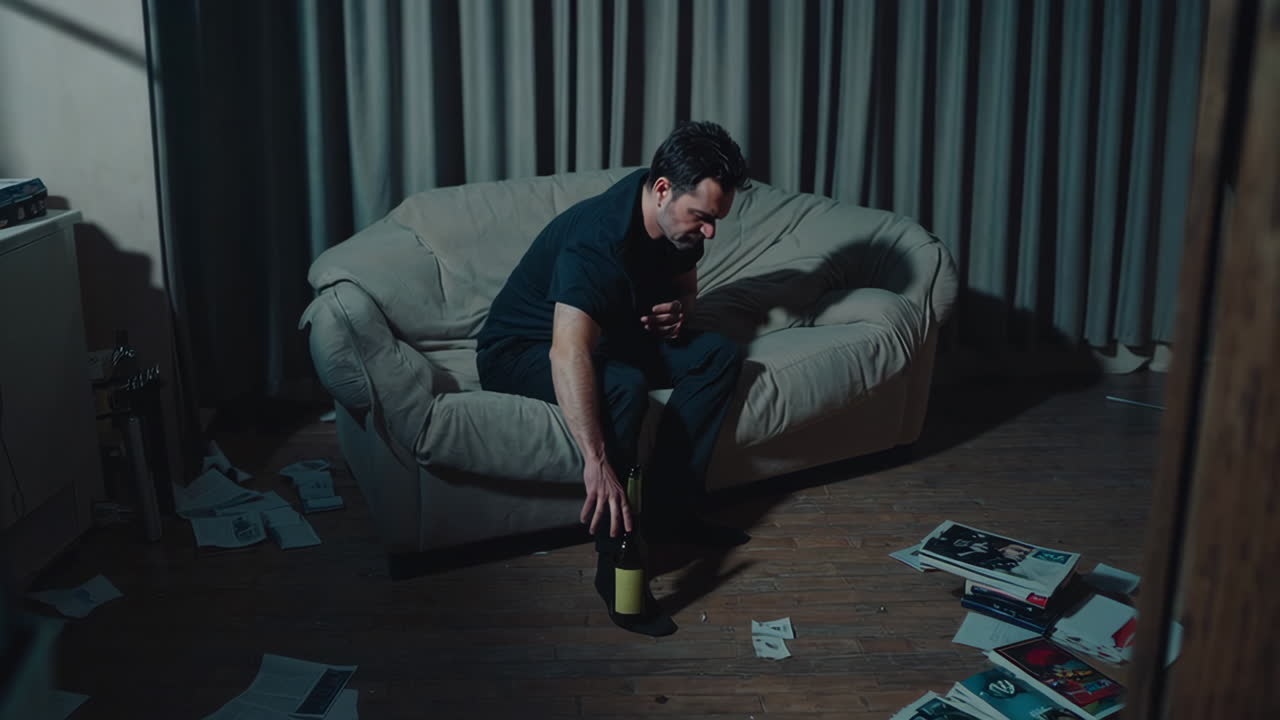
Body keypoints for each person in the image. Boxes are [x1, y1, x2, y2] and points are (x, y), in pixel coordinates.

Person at [475, 121, 752, 635]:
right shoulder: (597, 240)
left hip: (611, 337)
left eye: (716, 220)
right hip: (520, 351)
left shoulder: (679, 222)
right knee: (622, 384)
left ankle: (673, 510)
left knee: (717, 354)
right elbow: (567, 351)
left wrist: (679, 312)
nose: (710, 231)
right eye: (703, 217)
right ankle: (616, 568)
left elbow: (686, 290)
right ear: (664, 190)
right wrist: (595, 461)